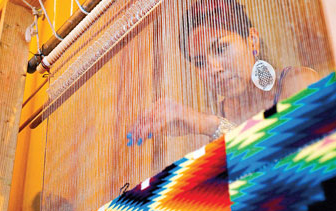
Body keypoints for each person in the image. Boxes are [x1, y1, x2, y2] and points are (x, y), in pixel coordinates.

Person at [127, 0, 319, 146]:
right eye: (200, 62)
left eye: (221, 49)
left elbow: (295, 163)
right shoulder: (216, 117)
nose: (213, 68)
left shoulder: (298, 82)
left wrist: (211, 126)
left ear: (252, 40)